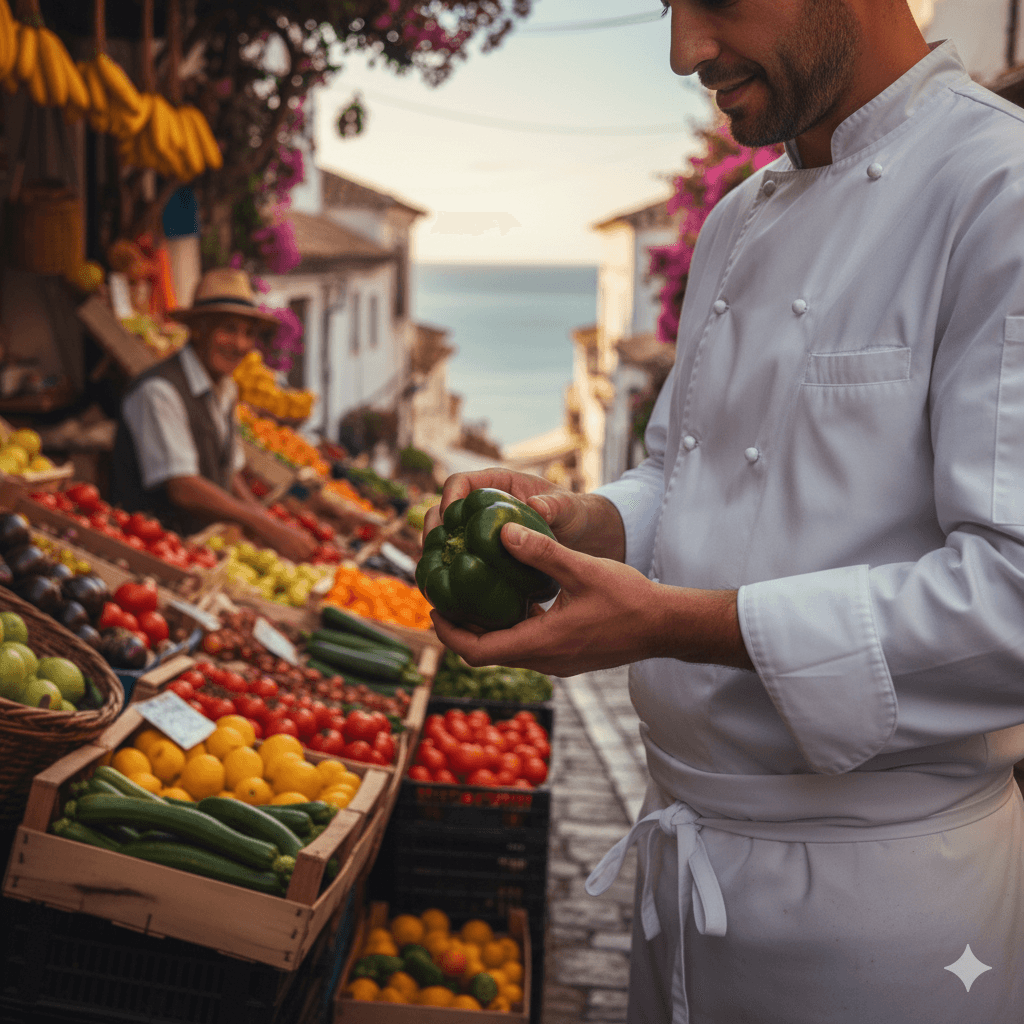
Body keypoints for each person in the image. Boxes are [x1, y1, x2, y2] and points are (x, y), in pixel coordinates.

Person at [425, 1, 1024, 1021]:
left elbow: (1010, 603)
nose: (682, 52)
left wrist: (669, 624)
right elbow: (679, 476)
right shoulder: (735, 223)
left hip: (888, 915)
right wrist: (585, 519)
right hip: (683, 876)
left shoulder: (998, 190)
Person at [111, 268, 317, 563]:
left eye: (249, 333)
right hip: (152, 554)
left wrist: (264, 523)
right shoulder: (159, 391)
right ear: (199, 329)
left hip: (202, 553)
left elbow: (228, 470)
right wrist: (263, 524)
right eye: (229, 329)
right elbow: (183, 487)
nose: (241, 344)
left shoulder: (224, 388)